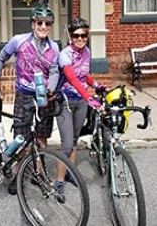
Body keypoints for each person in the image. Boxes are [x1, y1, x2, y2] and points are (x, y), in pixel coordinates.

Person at [0, 1, 60, 195]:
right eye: (39, 23)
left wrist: (51, 89)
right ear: (32, 24)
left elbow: (54, 70)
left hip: (44, 98)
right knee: (21, 138)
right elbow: (1, 58)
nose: (44, 27)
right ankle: (17, 174)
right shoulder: (19, 40)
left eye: (47, 23)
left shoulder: (54, 47)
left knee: (42, 139)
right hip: (24, 96)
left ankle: (37, 174)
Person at [55, 18, 105, 203]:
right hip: (65, 102)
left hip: (81, 102)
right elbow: (72, 78)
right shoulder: (65, 55)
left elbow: (84, 77)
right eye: (76, 35)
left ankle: (69, 173)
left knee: (74, 139)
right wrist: (89, 97)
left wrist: (97, 85)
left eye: (84, 35)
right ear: (70, 36)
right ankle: (58, 183)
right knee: (67, 144)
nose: (80, 38)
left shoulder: (87, 52)